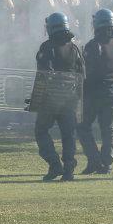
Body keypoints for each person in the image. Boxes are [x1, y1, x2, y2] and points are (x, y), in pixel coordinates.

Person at [29, 12, 84, 182]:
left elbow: (43, 75)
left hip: (50, 99)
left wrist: (35, 101)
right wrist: (79, 101)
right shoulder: (75, 49)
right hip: (70, 100)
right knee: (68, 134)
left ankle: (54, 165)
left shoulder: (47, 47)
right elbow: (81, 76)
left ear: (51, 27)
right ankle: (69, 170)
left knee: (41, 130)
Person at [77, 9, 113, 175]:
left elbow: (87, 71)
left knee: (83, 127)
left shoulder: (93, 45)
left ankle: (94, 160)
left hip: (95, 92)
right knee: (108, 128)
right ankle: (107, 163)